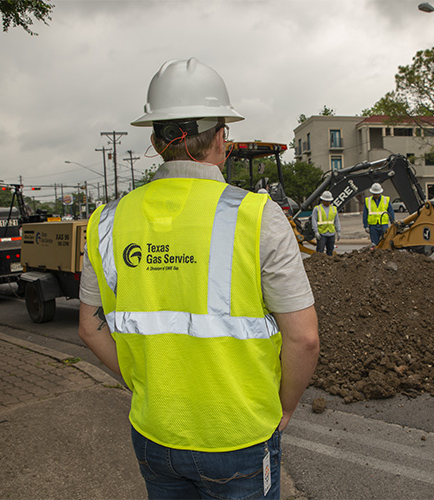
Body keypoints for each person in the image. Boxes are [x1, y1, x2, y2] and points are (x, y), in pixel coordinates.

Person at [78, 58, 319, 500]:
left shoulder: (107, 222)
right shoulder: (258, 216)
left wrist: (146, 384)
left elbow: (91, 328)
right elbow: (303, 339)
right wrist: (284, 405)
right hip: (240, 436)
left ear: (154, 139)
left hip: (155, 434)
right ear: (222, 138)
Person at [363, 182, 394, 246]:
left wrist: (392, 222)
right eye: (374, 194)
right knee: (375, 244)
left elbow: (391, 212)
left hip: (383, 224)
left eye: (377, 194)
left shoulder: (385, 200)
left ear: (380, 193)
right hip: (373, 225)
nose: (376, 195)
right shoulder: (368, 201)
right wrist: (365, 225)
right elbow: (365, 214)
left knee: (385, 242)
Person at [311, 190, 340, 256]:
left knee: (330, 250)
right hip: (322, 233)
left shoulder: (334, 209)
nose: (327, 202)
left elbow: (336, 220)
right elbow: (314, 220)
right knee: (320, 251)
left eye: (329, 201)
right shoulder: (317, 209)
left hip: (331, 233)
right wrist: (316, 231)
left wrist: (338, 231)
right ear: (322, 200)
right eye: (326, 201)